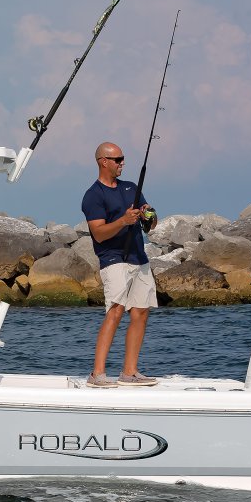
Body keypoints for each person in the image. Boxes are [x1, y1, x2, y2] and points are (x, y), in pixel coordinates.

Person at [80, 141, 158, 387]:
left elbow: (150, 224)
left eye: (123, 159)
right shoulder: (93, 195)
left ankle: (129, 372)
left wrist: (149, 215)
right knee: (115, 311)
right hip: (113, 259)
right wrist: (124, 220)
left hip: (139, 258)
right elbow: (99, 234)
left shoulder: (131, 188)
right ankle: (97, 374)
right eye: (118, 159)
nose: (122, 163)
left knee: (141, 311)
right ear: (103, 161)